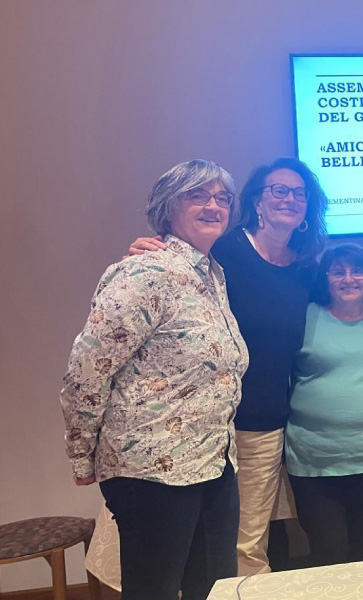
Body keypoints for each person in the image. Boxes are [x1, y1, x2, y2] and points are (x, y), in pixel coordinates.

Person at [128, 157, 328, 574]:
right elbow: (168, 274)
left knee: (247, 542)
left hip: (264, 423)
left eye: (300, 193)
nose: (290, 199)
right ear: (257, 201)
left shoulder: (306, 268)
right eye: (278, 190)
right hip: (200, 423)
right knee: (191, 543)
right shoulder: (223, 250)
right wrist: (148, 250)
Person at [61, 159, 249, 600]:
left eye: (222, 198)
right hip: (152, 471)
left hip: (213, 462)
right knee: (154, 592)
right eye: (197, 195)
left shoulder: (211, 273)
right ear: (168, 206)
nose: (213, 206)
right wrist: (81, 455)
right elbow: (86, 371)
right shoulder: (145, 272)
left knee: (215, 589)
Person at [285, 244, 363, 566]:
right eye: (338, 272)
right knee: (328, 554)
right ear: (325, 279)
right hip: (314, 457)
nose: (349, 279)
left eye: (358, 271)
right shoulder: (305, 314)